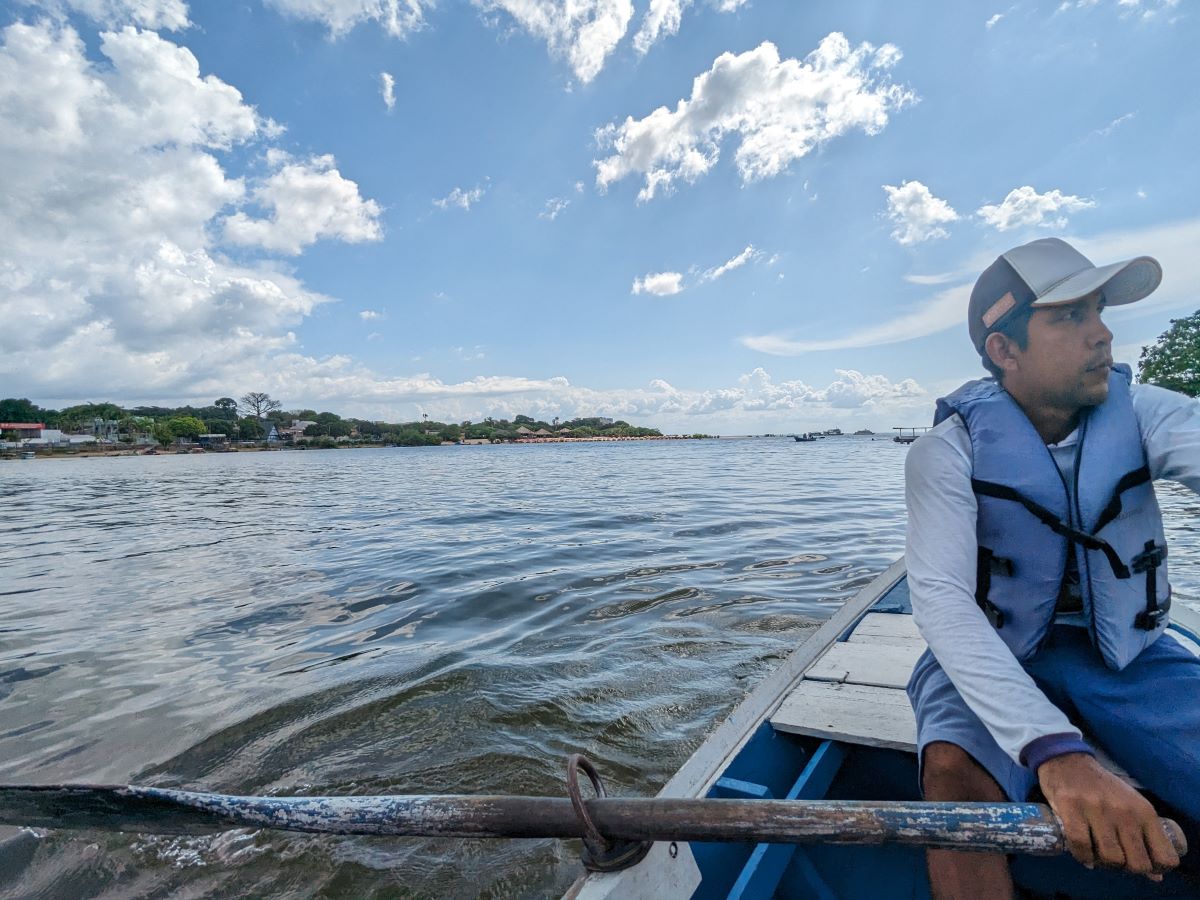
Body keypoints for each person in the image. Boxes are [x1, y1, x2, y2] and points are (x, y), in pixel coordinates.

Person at [904, 236, 1200, 898]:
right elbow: (944, 604)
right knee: (953, 783)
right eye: (1070, 316)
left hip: (1131, 653)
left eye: (1099, 310)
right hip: (994, 649)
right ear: (1005, 351)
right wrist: (1054, 753)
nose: (1102, 333)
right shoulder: (942, 454)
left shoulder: (1151, 416)